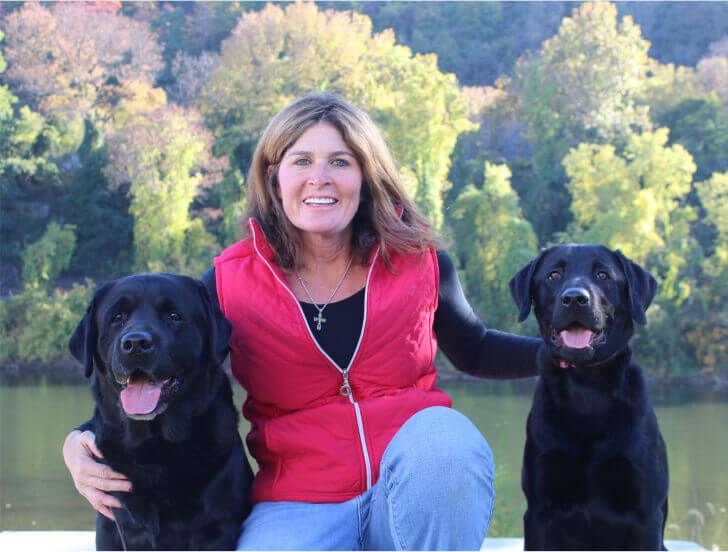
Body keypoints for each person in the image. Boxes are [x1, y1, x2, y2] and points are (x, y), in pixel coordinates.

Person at [63, 92, 541, 550]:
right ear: (274, 178)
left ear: (366, 175)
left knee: (448, 442)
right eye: (301, 161)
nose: (320, 178)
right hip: (296, 502)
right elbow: (174, 370)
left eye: (340, 161)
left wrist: (564, 356)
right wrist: (79, 439)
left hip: (409, 485)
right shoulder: (228, 282)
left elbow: (474, 347)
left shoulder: (421, 262)